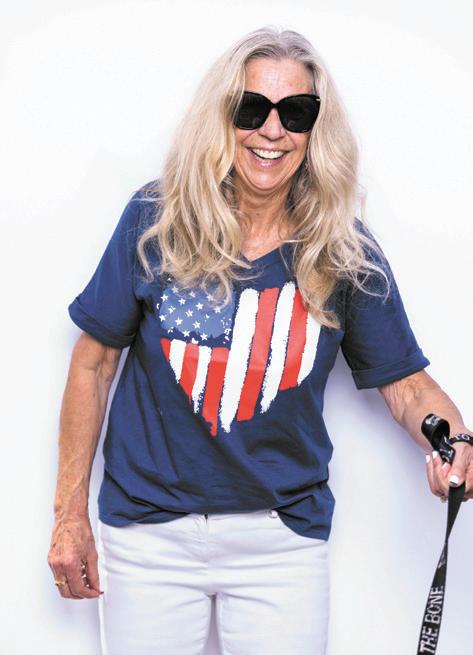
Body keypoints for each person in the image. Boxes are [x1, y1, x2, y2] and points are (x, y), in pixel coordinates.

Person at [47, 26, 473, 655]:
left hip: (281, 541)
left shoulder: (343, 251)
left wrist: (455, 440)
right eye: (253, 108)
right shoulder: (156, 220)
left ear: (315, 130)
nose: (272, 130)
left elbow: (407, 387)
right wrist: (68, 515)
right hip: (147, 535)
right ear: (224, 117)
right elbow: (93, 364)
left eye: (295, 112)